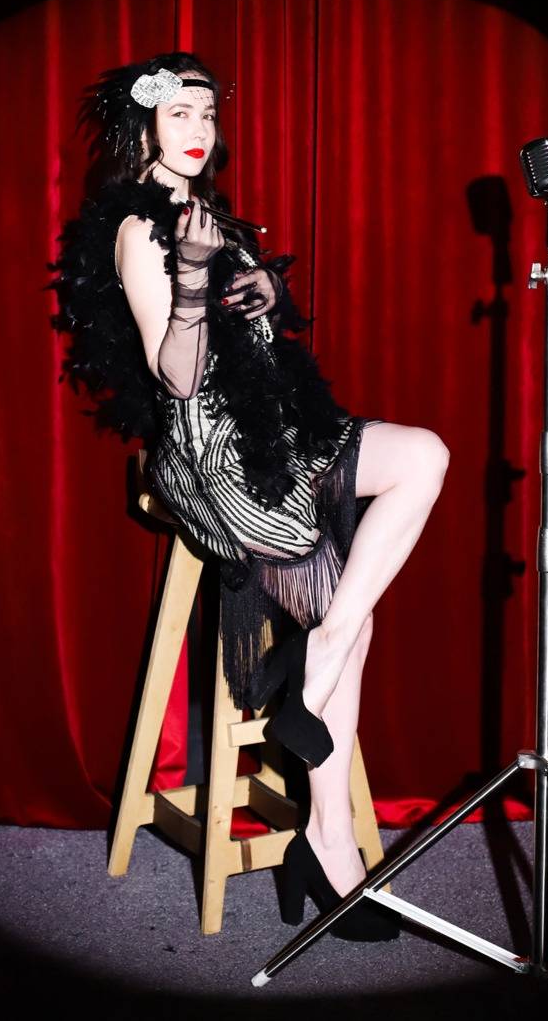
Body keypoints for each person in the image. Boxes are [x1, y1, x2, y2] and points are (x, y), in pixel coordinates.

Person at [52, 53, 449, 941]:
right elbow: (181, 380)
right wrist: (194, 278)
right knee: (346, 602)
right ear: (144, 126)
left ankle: (318, 660)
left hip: (277, 433)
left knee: (423, 456)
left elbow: (257, 353)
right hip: (209, 459)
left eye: (207, 115)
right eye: (180, 114)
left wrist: (268, 290)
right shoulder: (137, 229)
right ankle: (329, 841)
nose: (198, 130)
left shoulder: (212, 218)